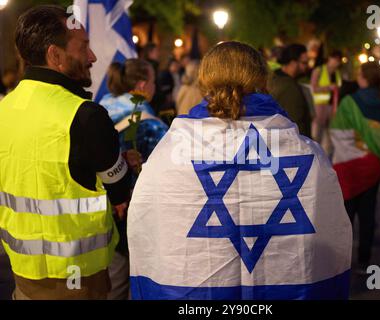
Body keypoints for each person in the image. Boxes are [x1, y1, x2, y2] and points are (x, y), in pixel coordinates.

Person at [128, 41, 352, 300]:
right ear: (262, 79)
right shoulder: (306, 154)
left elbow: (149, 221)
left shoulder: (171, 152)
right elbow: (330, 227)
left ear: (205, 80)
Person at [0, 5, 132, 299]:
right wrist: (129, 165)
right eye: (83, 47)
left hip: (22, 277)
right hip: (78, 280)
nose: (93, 57)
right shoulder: (85, 116)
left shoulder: (4, 109)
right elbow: (121, 190)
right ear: (55, 56)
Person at [99, 58, 167, 299]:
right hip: (135, 210)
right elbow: (166, 170)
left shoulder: (101, 107)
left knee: (113, 279)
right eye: (152, 81)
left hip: (102, 206)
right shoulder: (149, 124)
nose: (155, 87)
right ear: (141, 85)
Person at [330, 62, 380, 273]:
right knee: (368, 214)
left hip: (350, 165)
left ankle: (341, 261)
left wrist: (356, 149)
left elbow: (338, 133)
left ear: (365, 78)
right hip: (375, 164)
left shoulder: (351, 102)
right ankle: (365, 260)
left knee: (345, 215)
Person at [268, 44, 312, 137]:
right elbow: (296, 122)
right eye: (304, 63)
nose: (307, 66)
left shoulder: (274, 79)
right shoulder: (289, 87)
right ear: (293, 63)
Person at [311, 50, 343, 154]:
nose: (336, 63)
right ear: (329, 58)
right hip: (319, 107)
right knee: (317, 135)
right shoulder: (319, 71)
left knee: (330, 136)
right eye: (335, 60)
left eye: (338, 61)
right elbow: (314, 88)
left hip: (332, 107)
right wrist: (328, 87)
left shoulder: (337, 73)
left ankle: (327, 157)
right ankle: (315, 155)